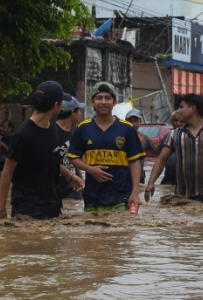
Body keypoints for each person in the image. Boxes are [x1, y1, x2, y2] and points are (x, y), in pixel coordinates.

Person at [0, 83, 84, 219]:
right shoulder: (23, 135)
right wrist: (1, 208)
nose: (63, 106)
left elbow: (51, 159)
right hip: (27, 205)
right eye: (61, 102)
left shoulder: (52, 125)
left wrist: (70, 176)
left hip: (52, 201)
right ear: (55, 106)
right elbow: (7, 172)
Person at [66, 82, 144, 213]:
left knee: (119, 230)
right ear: (92, 101)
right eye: (99, 98)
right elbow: (73, 157)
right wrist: (90, 170)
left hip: (121, 194)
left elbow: (135, 161)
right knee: (93, 230)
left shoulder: (127, 129)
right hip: (93, 194)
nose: (103, 102)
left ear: (115, 102)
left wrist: (135, 192)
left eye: (108, 98)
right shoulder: (83, 128)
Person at [56, 96, 86, 199]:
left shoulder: (74, 133)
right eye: (79, 111)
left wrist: (81, 181)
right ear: (73, 112)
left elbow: (75, 159)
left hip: (72, 186)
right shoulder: (52, 131)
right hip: (55, 186)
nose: (80, 114)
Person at [124, 108, 155, 183]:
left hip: (139, 176)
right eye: (130, 121)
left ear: (140, 122)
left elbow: (156, 151)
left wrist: (162, 144)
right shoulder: (119, 137)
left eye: (135, 121)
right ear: (125, 122)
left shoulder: (144, 137)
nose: (133, 123)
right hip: (123, 176)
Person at [159, 112, 183, 188]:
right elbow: (158, 157)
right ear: (171, 122)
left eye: (181, 121)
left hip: (183, 180)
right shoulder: (167, 136)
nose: (178, 123)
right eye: (175, 120)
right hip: (168, 178)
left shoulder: (190, 137)